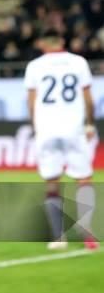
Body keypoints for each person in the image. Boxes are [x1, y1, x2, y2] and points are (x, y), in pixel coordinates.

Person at [25, 29, 99, 250]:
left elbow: (31, 102)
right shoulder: (78, 62)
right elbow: (88, 99)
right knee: (84, 178)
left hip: (47, 131)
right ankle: (87, 231)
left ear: (42, 44)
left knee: (52, 183)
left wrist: (36, 127)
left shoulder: (34, 66)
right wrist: (89, 124)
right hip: (73, 129)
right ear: (62, 41)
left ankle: (58, 237)